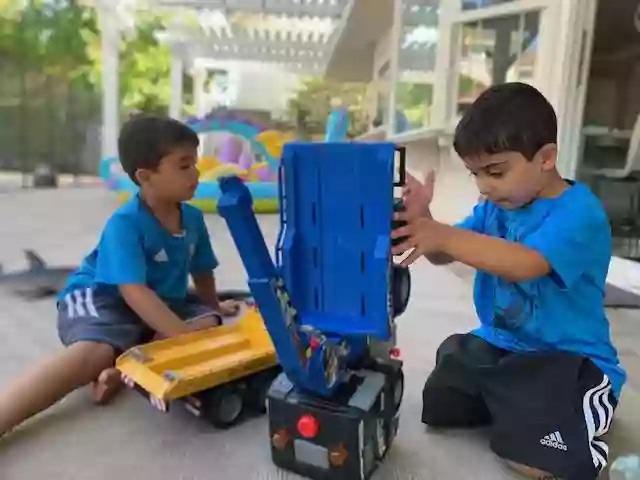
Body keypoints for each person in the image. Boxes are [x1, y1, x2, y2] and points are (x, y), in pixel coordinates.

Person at [392, 83, 626, 480]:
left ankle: (576, 417)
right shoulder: (494, 207)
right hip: (504, 346)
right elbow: (445, 252)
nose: (484, 186)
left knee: (540, 458)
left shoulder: (578, 213)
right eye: (476, 174)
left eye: (496, 171)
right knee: (445, 392)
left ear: (546, 158)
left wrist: (441, 234)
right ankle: (516, 404)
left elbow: (526, 264)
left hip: (567, 358)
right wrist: (425, 222)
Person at [0, 114, 239, 438]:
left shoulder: (193, 219)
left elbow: (202, 269)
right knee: (92, 353)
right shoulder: (125, 223)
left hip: (157, 300)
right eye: (184, 166)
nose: (196, 173)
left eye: (194, 164)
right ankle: (7, 415)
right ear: (145, 176)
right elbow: (133, 291)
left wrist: (213, 305)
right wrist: (182, 337)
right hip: (102, 297)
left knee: (209, 321)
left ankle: (122, 368)